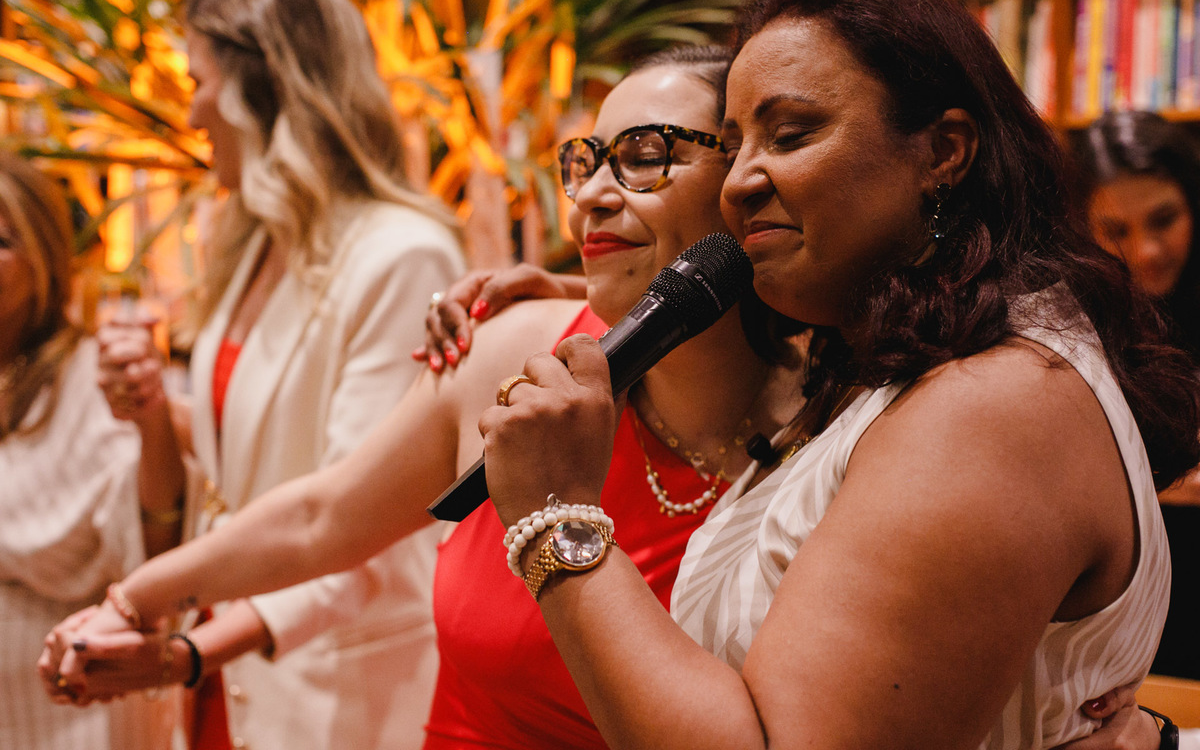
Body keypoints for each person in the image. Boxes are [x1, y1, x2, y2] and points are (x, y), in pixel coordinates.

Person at [45, 40, 1155, 750]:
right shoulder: (520, 348)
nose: (594, 193)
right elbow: (324, 513)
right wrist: (137, 599)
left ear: (748, 185)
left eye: (650, 153)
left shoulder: (840, 414)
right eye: (585, 160)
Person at [467, 0, 1199, 750]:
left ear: (943, 151)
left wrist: (556, 518)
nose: (740, 182)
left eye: (789, 135)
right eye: (734, 146)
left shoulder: (992, 403)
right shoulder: (884, 358)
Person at [54, 0, 466, 750]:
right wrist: (156, 410)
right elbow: (254, 462)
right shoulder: (254, 244)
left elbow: (364, 522)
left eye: (198, 82)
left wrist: (184, 652)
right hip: (229, 676)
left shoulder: (400, 255)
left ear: (262, 88)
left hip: (331, 689)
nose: (190, 110)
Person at [0, 151, 178, 749]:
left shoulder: (87, 377)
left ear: (45, 261)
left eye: (1, 241)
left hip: (69, 709)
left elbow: (145, 545)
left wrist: (152, 418)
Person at [1075, 111, 1200, 699]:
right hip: (1120, 587)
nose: (1146, 251)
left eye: (1164, 220)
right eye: (1115, 230)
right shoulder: (1074, 314)